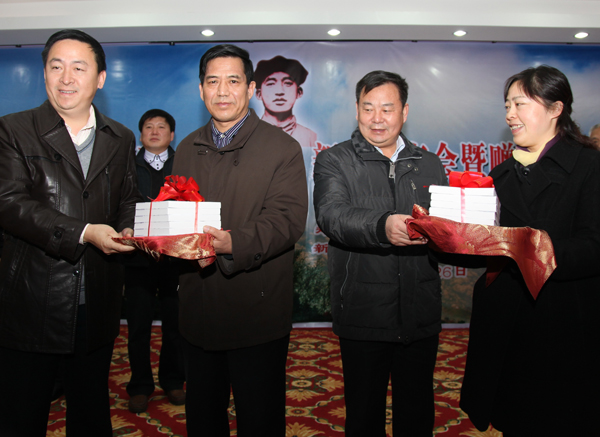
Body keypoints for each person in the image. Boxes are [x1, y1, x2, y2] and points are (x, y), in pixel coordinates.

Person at [0, 29, 140, 436]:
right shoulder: (13, 130)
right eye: (56, 66)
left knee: (91, 412)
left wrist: (130, 228)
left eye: (79, 68)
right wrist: (84, 232)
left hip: (96, 300)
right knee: (20, 416)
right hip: (30, 299)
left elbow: (127, 199)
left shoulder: (120, 137)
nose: (66, 78)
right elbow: (9, 203)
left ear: (100, 78)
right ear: (44, 73)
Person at [172, 44, 308, 436]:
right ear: (201, 89)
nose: (222, 91)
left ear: (250, 89)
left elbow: (287, 220)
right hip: (198, 307)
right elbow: (178, 213)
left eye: (233, 81)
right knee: (203, 416)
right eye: (212, 81)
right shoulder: (187, 147)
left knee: (260, 417)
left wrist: (232, 242)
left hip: (257, 308)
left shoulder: (281, 147)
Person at [460, 65, 600, 436]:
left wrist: (535, 249)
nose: (510, 114)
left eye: (520, 104)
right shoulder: (501, 174)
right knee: (514, 419)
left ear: (556, 108)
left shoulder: (590, 166)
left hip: (564, 319)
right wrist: (444, 237)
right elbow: (483, 247)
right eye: (507, 105)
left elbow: (594, 245)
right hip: (506, 321)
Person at [313, 70, 447, 437]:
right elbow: (332, 215)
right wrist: (382, 226)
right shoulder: (334, 160)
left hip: (420, 309)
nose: (377, 118)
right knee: (363, 414)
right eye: (368, 108)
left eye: (387, 109)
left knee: (417, 413)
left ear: (405, 112)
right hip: (363, 310)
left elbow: (445, 227)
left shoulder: (430, 164)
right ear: (356, 109)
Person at [125, 109, 185, 413]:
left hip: (174, 259)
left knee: (176, 325)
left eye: (161, 127)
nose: (155, 131)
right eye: (148, 126)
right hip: (138, 258)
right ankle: (139, 386)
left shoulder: (184, 165)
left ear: (171, 135)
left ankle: (173, 380)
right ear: (141, 134)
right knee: (138, 326)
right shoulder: (128, 165)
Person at [254, 55, 317, 149]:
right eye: (270, 84)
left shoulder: (311, 137)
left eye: (287, 83)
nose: (279, 91)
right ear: (259, 94)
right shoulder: (249, 135)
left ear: (299, 92)